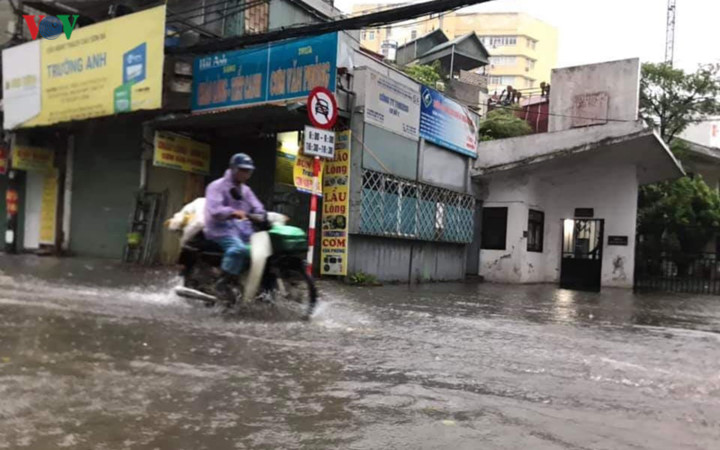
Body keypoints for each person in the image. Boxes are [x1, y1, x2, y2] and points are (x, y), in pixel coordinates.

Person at [204, 153, 265, 300]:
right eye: (242, 170)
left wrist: (263, 214)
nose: (245, 174)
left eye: (248, 171)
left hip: (242, 231)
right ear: (233, 169)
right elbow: (215, 210)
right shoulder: (216, 186)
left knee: (259, 252)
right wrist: (232, 213)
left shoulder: (246, 190)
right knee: (238, 249)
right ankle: (223, 283)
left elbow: (257, 206)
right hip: (220, 229)